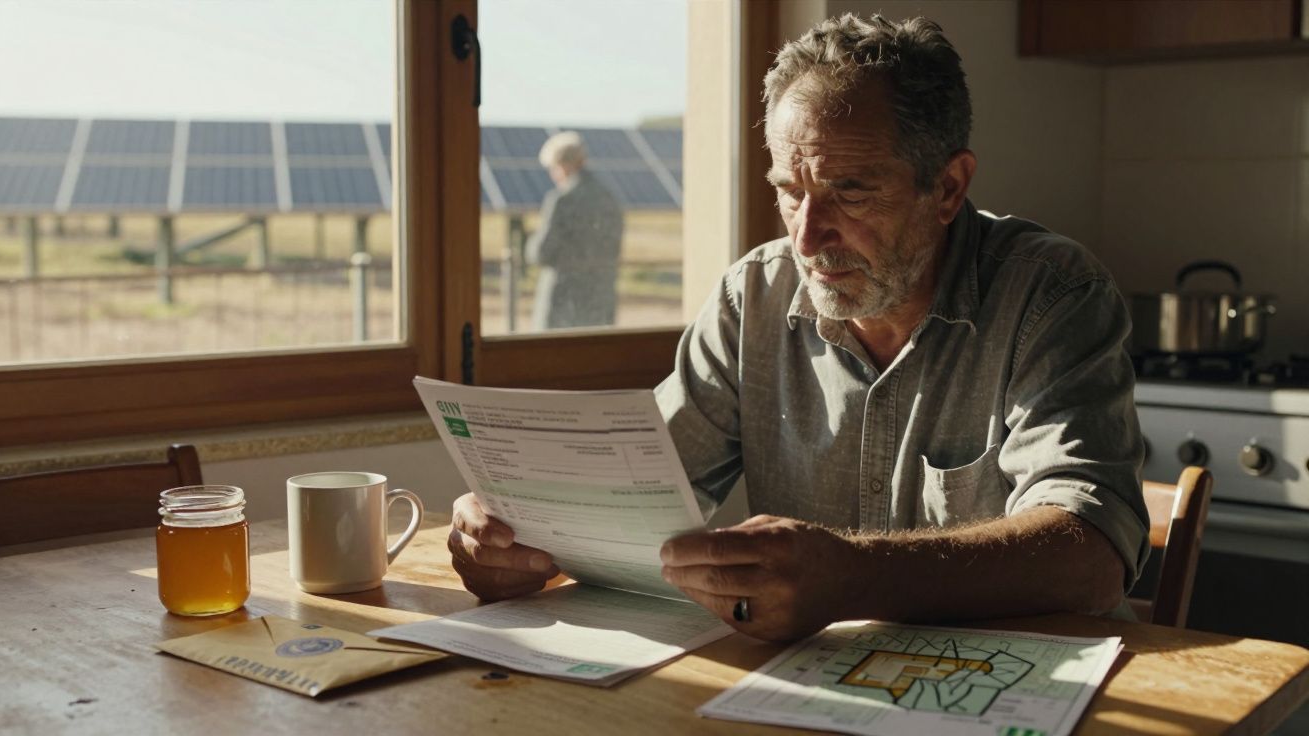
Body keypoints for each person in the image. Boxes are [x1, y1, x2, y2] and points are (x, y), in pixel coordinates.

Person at [447, 14, 1149, 642]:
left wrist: (855, 576)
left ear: (948, 188)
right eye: (790, 190)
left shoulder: (1052, 294)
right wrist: (517, 538)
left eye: (850, 190)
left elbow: (1090, 555)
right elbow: (634, 498)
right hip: (808, 694)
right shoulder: (752, 296)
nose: (808, 237)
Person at [525, 131, 624, 330]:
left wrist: (530, 244)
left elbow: (541, 252)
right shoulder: (610, 199)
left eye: (553, 168)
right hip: (600, 304)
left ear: (562, 165)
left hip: (562, 307)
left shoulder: (562, 200)